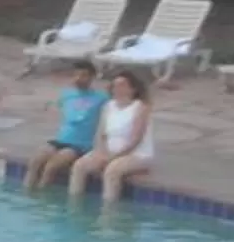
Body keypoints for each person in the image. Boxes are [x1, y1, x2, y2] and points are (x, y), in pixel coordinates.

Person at [70, 68, 155, 201]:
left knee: (111, 171)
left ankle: (109, 209)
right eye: (115, 85)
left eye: (122, 85)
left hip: (136, 154)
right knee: (79, 166)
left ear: (133, 89)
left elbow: (135, 140)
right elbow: (101, 134)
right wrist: (102, 153)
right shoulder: (108, 106)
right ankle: (75, 203)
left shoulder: (140, 108)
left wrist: (112, 158)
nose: (117, 89)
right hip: (109, 152)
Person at [28, 60, 108, 191]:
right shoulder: (67, 94)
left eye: (83, 75)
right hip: (60, 140)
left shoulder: (101, 98)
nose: (78, 78)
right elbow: (57, 109)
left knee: (51, 167)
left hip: (80, 145)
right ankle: (27, 193)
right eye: (76, 75)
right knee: (35, 161)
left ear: (92, 77)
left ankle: (41, 196)